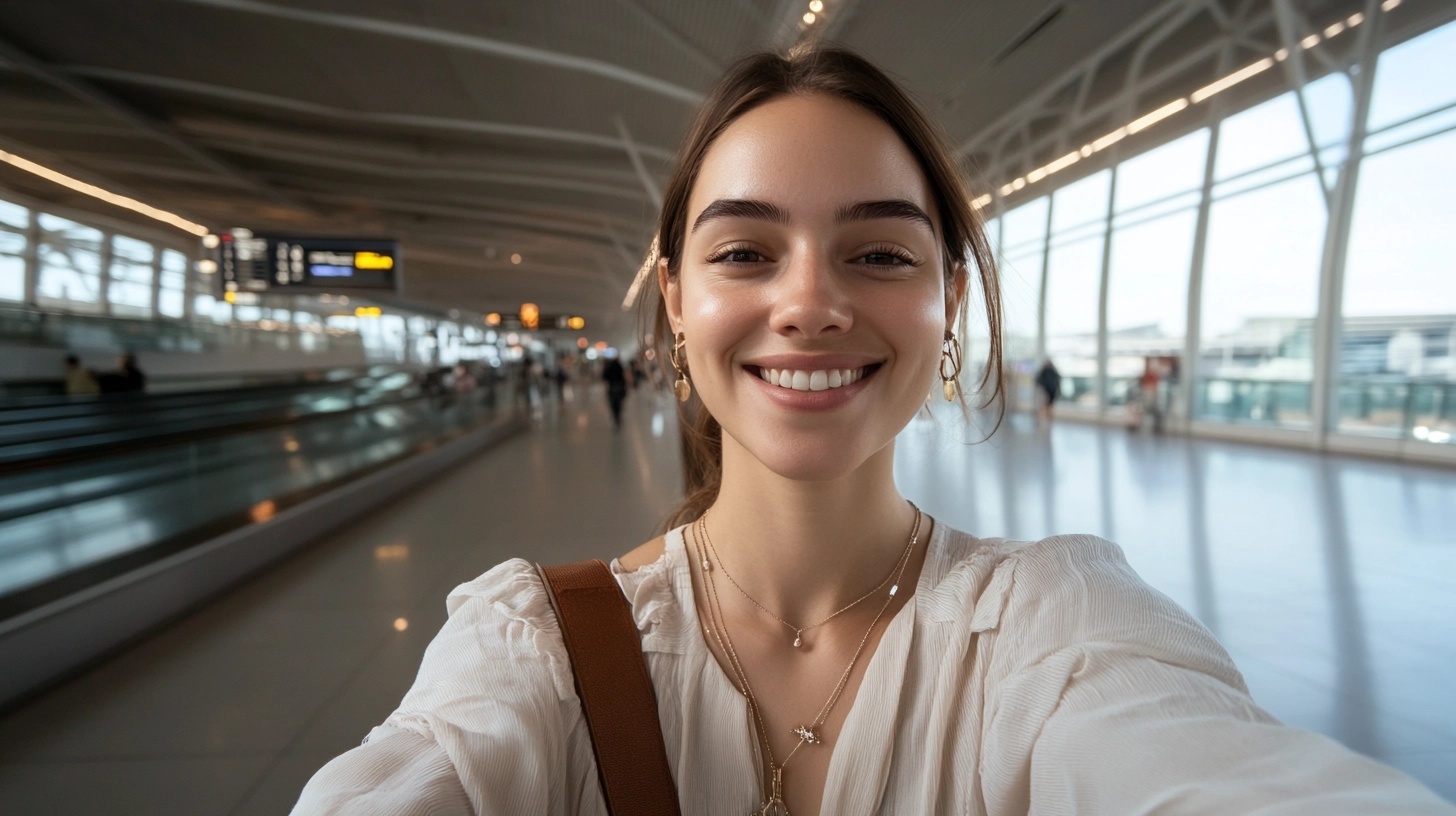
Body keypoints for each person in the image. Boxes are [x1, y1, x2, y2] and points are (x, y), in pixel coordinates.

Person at [294, 47, 1453, 815]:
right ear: (674, 303)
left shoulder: (1055, 637)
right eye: (746, 251)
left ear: (945, 305)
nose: (811, 301)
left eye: (879, 253)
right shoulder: (533, 658)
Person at [601, 355, 627, 429]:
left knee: (613, 403)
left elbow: (604, 377)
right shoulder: (619, 366)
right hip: (619, 387)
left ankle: (615, 416)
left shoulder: (609, 367)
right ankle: (618, 416)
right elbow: (623, 376)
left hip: (612, 387)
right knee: (618, 403)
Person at [1035, 358, 1060, 425]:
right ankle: (1046, 419)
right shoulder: (1054, 372)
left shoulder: (1044, 371)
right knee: (1048, 406)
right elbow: (1058, 381)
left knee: (1044, 406)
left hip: (1046, 391)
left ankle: (1043, 419)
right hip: (1051, 391)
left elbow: (1038, 380)